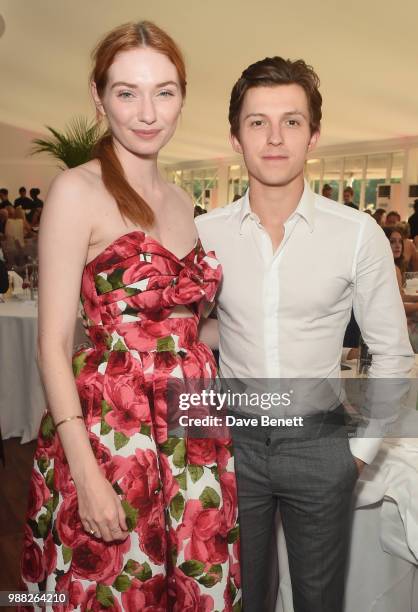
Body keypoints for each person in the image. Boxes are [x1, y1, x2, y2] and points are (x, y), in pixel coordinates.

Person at [20, 21, 241, 611]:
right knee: (121, 590)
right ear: (100, 98)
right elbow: (51, 344)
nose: (148, 112)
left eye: (164, 92)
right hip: (112, 437)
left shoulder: (183, 201)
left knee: (197, 579)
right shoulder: (76, 190)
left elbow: (185, 332)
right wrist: (86, 472)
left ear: (183, 97)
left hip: (195, 428)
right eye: (127, 92)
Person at [196, 56, 413, 612]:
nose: (274, 138)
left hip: (321, 444)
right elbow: (191, 335)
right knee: (244, 597)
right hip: (233, 442)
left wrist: (359, 454)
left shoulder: (356, 234)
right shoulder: (203, 234)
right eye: (257, 122)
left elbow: (393, 352)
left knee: (319, 600)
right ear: (235, 137)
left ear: (313, 135)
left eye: (291, 121)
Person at [384, 226, 418, 351]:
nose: (398, 245)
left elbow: (400, 296)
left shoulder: (394, 266)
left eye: (400, 242)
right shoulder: (390, 268)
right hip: (389, 324)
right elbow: (397, 307)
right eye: (392, 241)